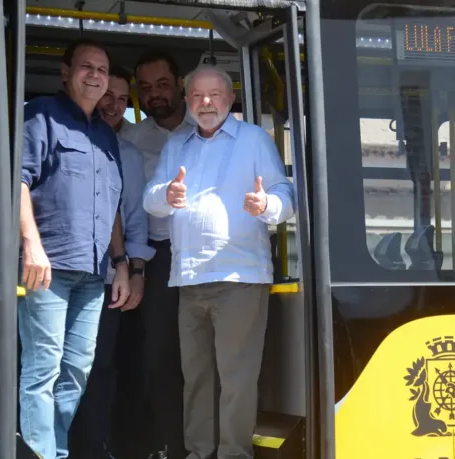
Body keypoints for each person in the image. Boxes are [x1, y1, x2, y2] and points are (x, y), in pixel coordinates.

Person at [142, 64, 295, 459]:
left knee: (236, 378)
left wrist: (267, 204)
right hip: (188, 278)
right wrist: (167, 196)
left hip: (239, 276)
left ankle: (232, 455)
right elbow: (151, 197)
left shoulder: (254, 139)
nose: (205, 102)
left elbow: (285, 194)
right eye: (196, 95)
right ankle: (198, 453)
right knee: (196, 378)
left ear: (229, 99)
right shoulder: (178, 144)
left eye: (214, 95)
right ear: (187, 100)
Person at [18, 38, 131, 459]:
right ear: (66, 72)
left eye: (102, 70)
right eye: (87, 67)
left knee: (77, 371)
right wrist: (31, 244)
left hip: (94, 274)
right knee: (41, 370)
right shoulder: (40, 116)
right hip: (47, 269)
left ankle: (53, 450)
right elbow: (18, 182)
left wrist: (120, 263)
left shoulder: (106, 135)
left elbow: (112, 206)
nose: (95, 76)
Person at [69, 64, 156, 459]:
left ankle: (93, 449)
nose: (115, 106)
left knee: (101, 368)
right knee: (58, 368)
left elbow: (135, 218)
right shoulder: (61, 133)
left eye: (123, 99)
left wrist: (135, 271)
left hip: (110, 277)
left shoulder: (129, 154)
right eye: (109, 96)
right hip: (58, 272)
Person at [120, 49, 190, 459]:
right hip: (157, 257)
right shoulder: (131, 138)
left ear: (179, 84)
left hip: (206, 258)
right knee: (162, 357)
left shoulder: (207, 131)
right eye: (144, 88)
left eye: (162, 84)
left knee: (206, 358)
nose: (154, 94)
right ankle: (171, 447)